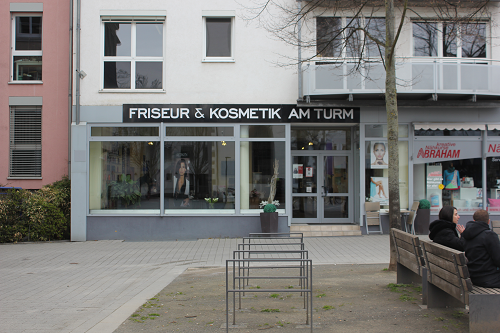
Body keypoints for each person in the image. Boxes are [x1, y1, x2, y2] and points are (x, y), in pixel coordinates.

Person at [461, 209, 500, 288]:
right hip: (489, 278)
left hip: (473, 277)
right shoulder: (489, 235)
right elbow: (498, 259)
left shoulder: (465, 235)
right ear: (488, 221)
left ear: (474, 220)